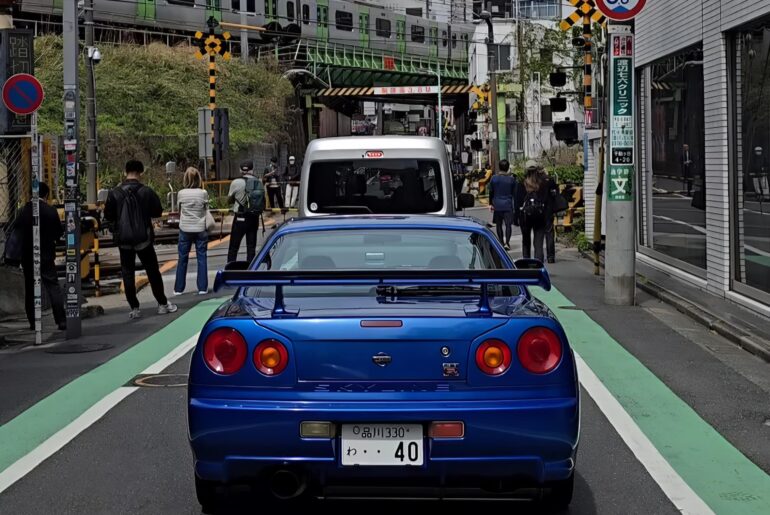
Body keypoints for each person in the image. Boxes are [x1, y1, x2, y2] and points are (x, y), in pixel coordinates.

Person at [105, 160, 177, 319]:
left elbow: (108, 215)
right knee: (153, 271)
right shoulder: (147, 191)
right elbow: (157, 211)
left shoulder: (114, 193)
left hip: (123, 239)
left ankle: (135, 308)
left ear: (125, 172)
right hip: (143, 238)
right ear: (141, 172)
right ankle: (162, 304)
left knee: (127, 272)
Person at [18, 183, 66, 331]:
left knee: (30, 288)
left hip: (27, 255)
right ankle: (61, 320)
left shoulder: (23, 211)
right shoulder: (50, 211)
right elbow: (58, 233)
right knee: (52, 286)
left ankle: (33, 322)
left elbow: (17, 233)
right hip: (45, 254)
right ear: (45, 195)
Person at [174, 167, 209, 296]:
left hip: (185, 228)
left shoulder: (181, 193)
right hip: (200, 228)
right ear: (198, 178)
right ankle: (202, 287)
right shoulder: (203, 193)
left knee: (182, 258)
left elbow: (179, 210)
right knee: (202, 257)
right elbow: (206, 209)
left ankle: (179, 288)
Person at [227, 160, 265, 264]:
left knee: (234, 247)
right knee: (251, 247)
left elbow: (229, 200)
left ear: (240, 170)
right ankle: (250, 272)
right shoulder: (259, 182)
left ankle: (231, 271)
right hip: (254, 218)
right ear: (252, 170)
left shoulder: (236, 182)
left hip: (240, 218)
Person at [516, 161, 549, 262]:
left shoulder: (521, 183)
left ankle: (526, 264)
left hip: (525, 217)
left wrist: (517, 217)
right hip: (539, 216)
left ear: (526, 170)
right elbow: (546, 200)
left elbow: (517, 201)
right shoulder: (542, 183)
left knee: (526, 241)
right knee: (538, 243)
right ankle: (538, 264)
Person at [488, 159, 517, 251]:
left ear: (499, 167)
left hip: (497, 204)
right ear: (508, 168)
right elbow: (514, 194)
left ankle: (501, 242)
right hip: (508, 204)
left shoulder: (494, 178)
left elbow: (491, 192)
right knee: (508, 225)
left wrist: (490, 203)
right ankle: (507, 243)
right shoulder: (512, 179)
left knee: (499, 225)